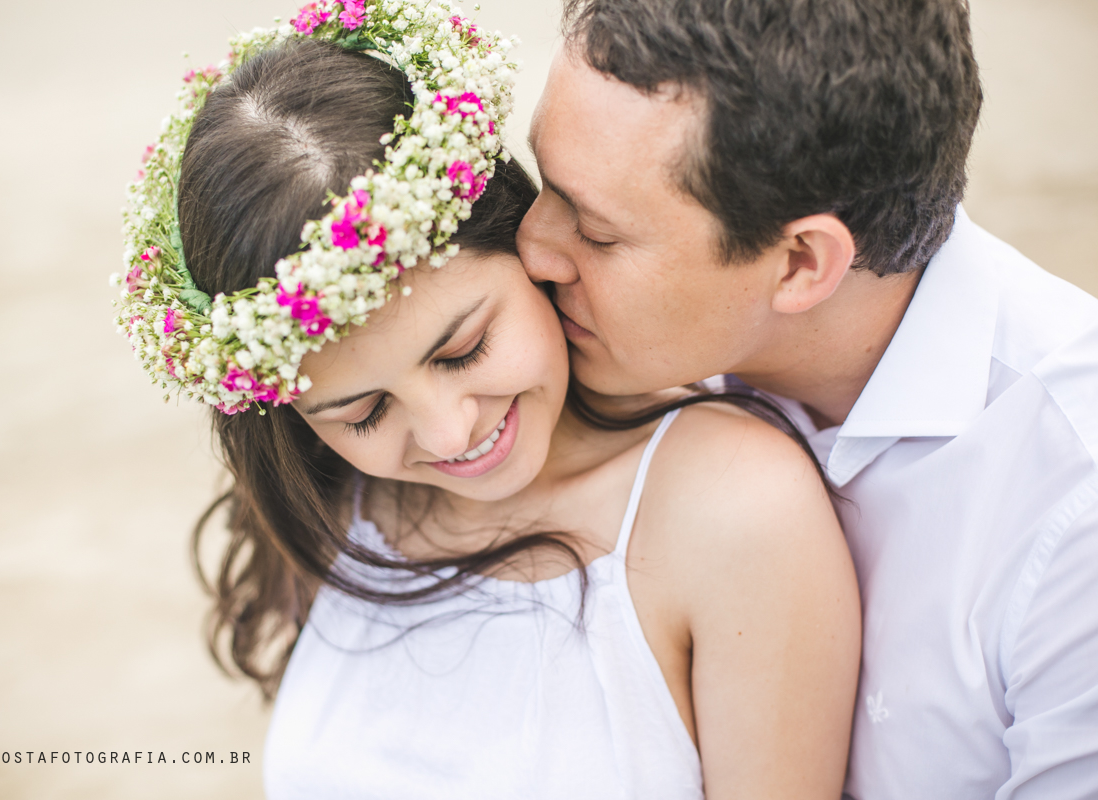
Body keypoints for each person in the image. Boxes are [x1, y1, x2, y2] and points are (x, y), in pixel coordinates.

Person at [115, 3, 858, 798]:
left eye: (464, 350)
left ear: (525, 242)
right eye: (363, 412)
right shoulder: (332, 504)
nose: (448, 433)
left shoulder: (733, 511)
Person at [515, 1, 1098, 797]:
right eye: (543, 181)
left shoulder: (1071, 516)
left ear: (799, 264)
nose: (533, 249)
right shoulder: (575, 358)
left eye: (598, 233)